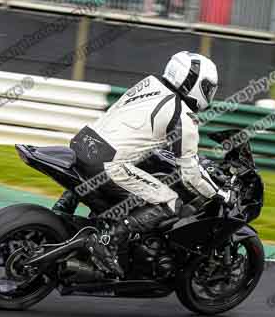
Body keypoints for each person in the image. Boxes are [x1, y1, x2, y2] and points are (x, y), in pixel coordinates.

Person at [69, 51, 230, 278]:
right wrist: (219, 193)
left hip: (84, 142)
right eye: (206, 87)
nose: (208, 94)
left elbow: (140, 130)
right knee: (170, 201)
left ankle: (63, 216)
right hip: (109, 163)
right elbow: (190, 173)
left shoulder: (149, 84)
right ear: (192, 82)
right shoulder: (183, 115)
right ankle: (108, 242)